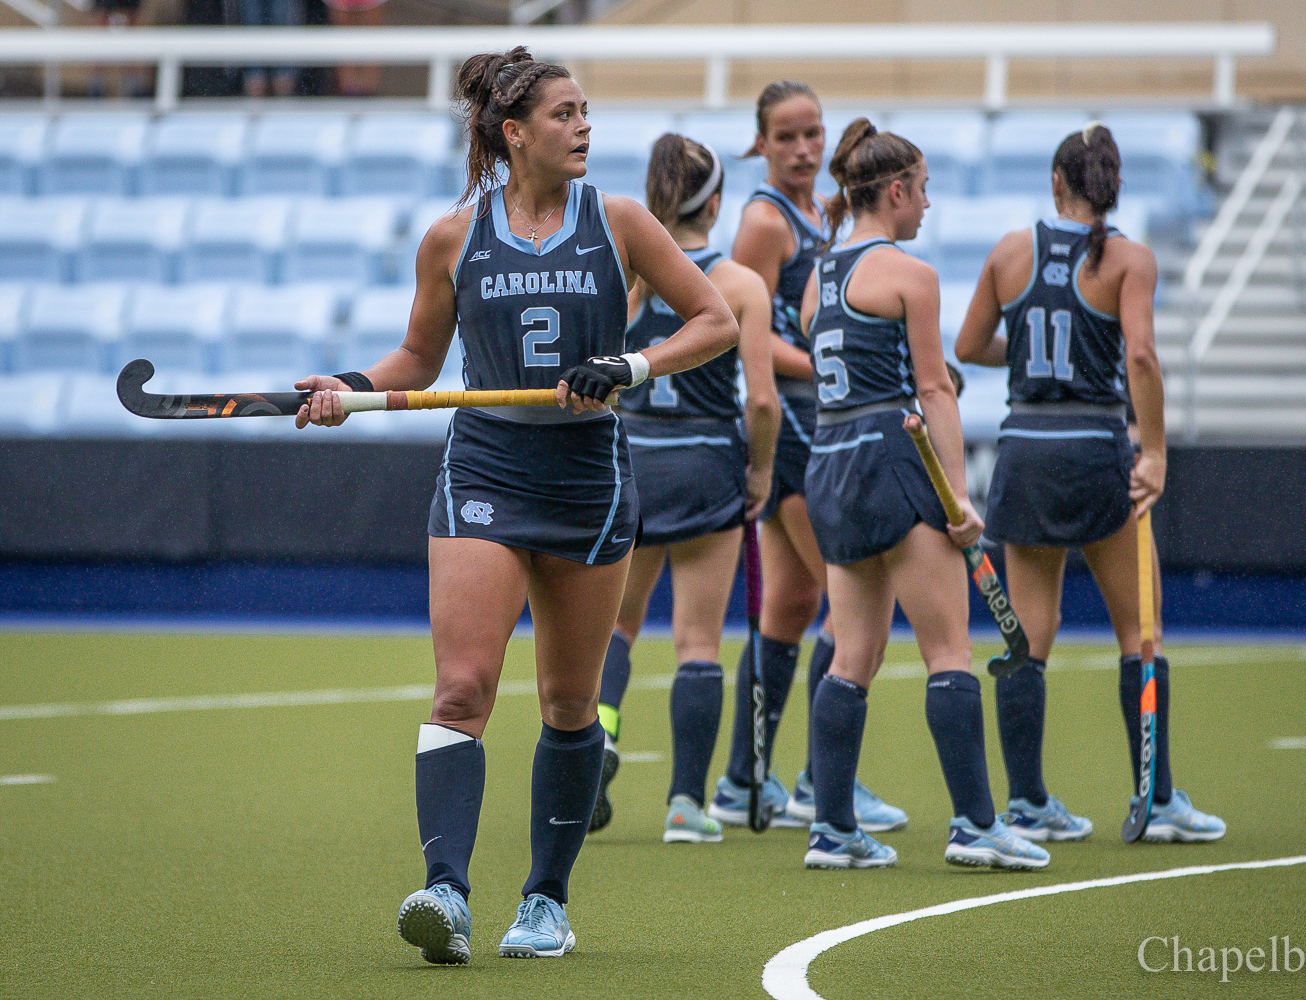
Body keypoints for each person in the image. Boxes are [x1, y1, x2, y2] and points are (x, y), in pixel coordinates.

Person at [297, 47, 737, 961]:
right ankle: (446, 894)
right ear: (514, 132)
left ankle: (545, 901)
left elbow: (714, 322)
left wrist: (630, 365)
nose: (584, 126)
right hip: (486, 472)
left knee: (570, 704)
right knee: (462, 689)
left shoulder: (619, 222)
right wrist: (346, 387)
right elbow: (415, 363)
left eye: (586, 111)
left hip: (588, 480)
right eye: (565, 113)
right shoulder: (454, 238)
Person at [953, 122, 1225, 845]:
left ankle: (1029, 803)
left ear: (1054, 183)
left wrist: (1041, 351)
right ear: (1114, 187)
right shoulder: (1128, 259)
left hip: (1024, 450)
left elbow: (969, 345)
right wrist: (1157, 452)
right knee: (1141, 630)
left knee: (1026, 638)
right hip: (1094, 445)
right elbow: (1142, 357)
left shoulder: (1012, 251)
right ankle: (1157, 798)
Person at [795, 119, 1051, 872]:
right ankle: (976, 824)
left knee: (853, 653)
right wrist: (957, 497)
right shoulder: (910, 275)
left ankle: (832, 829)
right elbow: (934, 389)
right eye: (925, 189)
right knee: (949, 651)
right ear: (896, 190)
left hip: (830, 465)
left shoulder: (817, 280)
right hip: (891, 460)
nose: (929, 205)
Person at [709, 80, 906, 833]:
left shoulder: (817, 212)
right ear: (760, 143)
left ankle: (742, 780)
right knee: (848, 598)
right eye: (786, 137)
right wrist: (830, 363)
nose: (802, 149)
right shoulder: (764, 220)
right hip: (793, 428)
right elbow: (741, 326)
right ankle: (825, 779)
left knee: (792, 604)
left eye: (812, 134)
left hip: (815, 422)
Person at [590, 133, 780, 844]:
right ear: (718, 199)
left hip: (633, 459)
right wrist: (759, 470)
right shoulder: (738, 285)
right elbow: (762, 403)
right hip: (705, 465)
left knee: (616, 624)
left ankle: (601, 734)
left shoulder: (629, 272)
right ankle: (684, 805)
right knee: (698, 640)